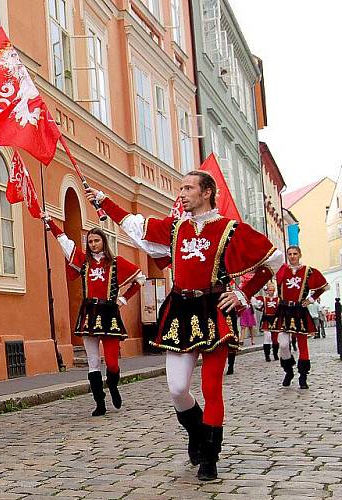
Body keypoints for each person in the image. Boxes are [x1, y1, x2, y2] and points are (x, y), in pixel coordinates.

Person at [89, 170, 282, 480]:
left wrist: (242, 294)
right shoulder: (175, 227)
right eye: (181, 187)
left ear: (206, 192)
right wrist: (104, 201)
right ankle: (196, 430)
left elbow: (273, 261)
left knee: (211, 388)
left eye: (188, 187)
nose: (181, 193)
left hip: (212, 308)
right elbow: (135, 225)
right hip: (179, 309)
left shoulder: (230, 229)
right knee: (178, 389)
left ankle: (210, 456)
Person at [43, 217, 144, 415]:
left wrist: (122, 299)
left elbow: (140, 279)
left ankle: (113, 385)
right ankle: (99, 402)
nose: (93, 244)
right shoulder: (84, 262)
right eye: (90, 241)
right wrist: (51, 223)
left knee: (113, 361)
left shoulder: (116, 262)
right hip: (89, 313)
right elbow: (66, 243)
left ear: (103, 242)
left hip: (109, 313)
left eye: (96, 240)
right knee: (93, 361)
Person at [271, 245, 328, 389]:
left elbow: (323, 286)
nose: (292, 256)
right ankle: (288, 370)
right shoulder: (282, 269)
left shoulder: (308, 271)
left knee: (302, 344)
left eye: (295, 253)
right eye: (289, 254)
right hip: (284, 309)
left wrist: (311, 299)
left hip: (299, 309)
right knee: (283, 344)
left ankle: (303, 376)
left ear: (300, 254)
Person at [253, 280, 280, 362]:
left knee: (275, 339)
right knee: (267, 338)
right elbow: (255, 303)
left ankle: (275, 354)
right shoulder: (263, 299)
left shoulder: (278, 299)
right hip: (266, 319)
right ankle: (267, 355)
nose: (271, 292)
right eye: (269, 290)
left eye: (272, 290)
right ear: (267, 290)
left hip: (275, 320)